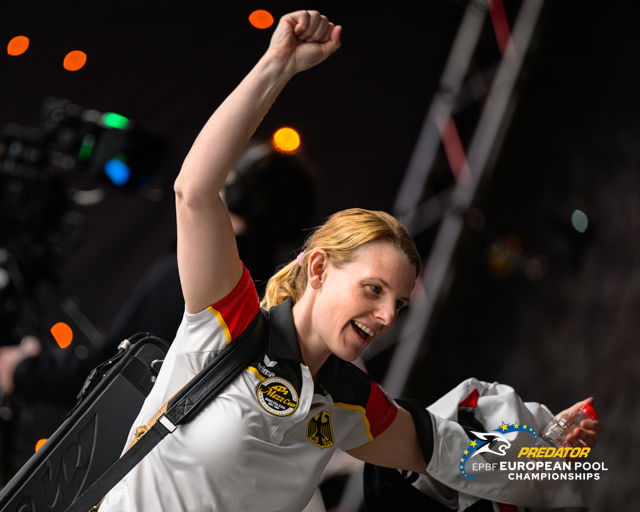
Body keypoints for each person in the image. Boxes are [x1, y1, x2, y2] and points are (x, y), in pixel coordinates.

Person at [99, 10, 601, 512]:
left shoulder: (349, 402)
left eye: (399, 304)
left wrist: (545, 453)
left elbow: (458, 455)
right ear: (318, 268)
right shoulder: (229, 323)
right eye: (374, 289)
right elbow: (194, 191)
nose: (386, 316)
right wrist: (277, 65)